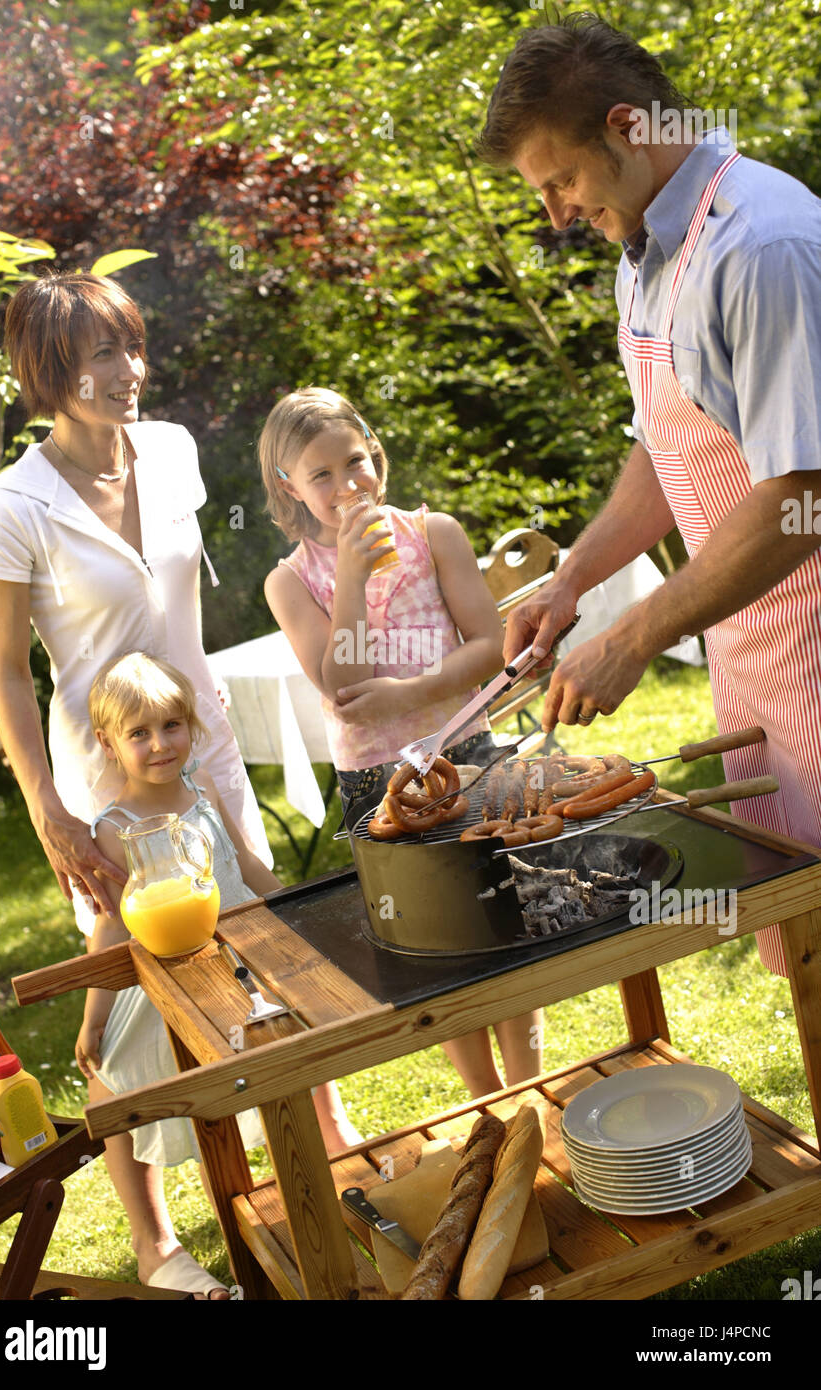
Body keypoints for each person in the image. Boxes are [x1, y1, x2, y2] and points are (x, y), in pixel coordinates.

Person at [478, 13, 821, 977]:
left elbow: (804, 489)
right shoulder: (648, 250)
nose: (554, 215)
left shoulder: (761, 243)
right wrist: (572, 580)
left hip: (816, 640)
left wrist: (635, 636)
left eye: (561, 182)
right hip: (754, 652)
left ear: (628, 128)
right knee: (802, 949)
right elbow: (672, 446)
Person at [0, 271, 271, 931]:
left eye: (132, 347)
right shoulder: (9, 508)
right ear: (51, 372)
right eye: (105, 353)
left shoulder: (172, 450)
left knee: (252, 928)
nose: (131, 369)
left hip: (200, 739)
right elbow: (9, 672)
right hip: (109, 768)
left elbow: (174, 595)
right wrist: (45, 805)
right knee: (155, 961)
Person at [260, 385, 543, 1094]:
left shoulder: (434, 533)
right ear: (287, 487)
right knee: (435, 945)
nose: (345, 484)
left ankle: (530, 1089)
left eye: (355, 462)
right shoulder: (290, 582)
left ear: (376, 457)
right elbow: (343, 685)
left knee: (504, 920)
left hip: (465, 754)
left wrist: (415, 695)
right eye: (320, 474)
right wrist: (350, 576)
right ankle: (488, 1101)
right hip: (376, 780)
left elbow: (488, 648)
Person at [78, 652, 359, 1296]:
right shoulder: (114, 830)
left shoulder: (200, 790)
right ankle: (181, 1250)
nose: (160, 744)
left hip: (231, 973)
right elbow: (111, 927)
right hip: (165, 993)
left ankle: (275, 1224)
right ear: (109, 743)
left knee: (237, 1101)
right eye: (139, 733)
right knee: (144, 1099)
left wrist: (303, 911)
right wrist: (94, 1017)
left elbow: (246, 866)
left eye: (171, 726)